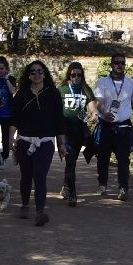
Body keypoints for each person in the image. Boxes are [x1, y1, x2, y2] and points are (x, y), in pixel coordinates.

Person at [10, 59, 65, 225]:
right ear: (28, 75)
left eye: (40, 71)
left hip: (45, 142)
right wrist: (11, 138)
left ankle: (40, 212)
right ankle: (25, 204)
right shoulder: (21, 94)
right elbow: (14, 119)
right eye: (33, 72)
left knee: (40, 175)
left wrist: (62, 144)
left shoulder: (53, 94)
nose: (37, 74)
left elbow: (59, 121)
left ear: (45, 74)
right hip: (25, 141)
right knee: (26, 175)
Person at [93, 52, 133, 200]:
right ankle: (102, 184)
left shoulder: (131, 83)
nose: (119, 65)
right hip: (106, 124)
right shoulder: (102, 82)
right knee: (103, 157)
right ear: (111, 65)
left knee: (123, 159)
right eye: (116, 62)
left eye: (122, 63)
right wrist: (104, 112)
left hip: (124, 126)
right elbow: (98, 101)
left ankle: (123, 188)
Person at [57, 61, 96, 206]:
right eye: (73, 75)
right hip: (64, 132)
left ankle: (66, 185)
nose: (76, 78)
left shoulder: (85, 89)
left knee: (71, 162)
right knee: (70, 161)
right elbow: (55, 110)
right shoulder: (61, 90)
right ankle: (73, 194)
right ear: (69, 75)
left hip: (79, 131)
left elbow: (92, 107)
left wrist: (94, 115)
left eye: (79, 75)